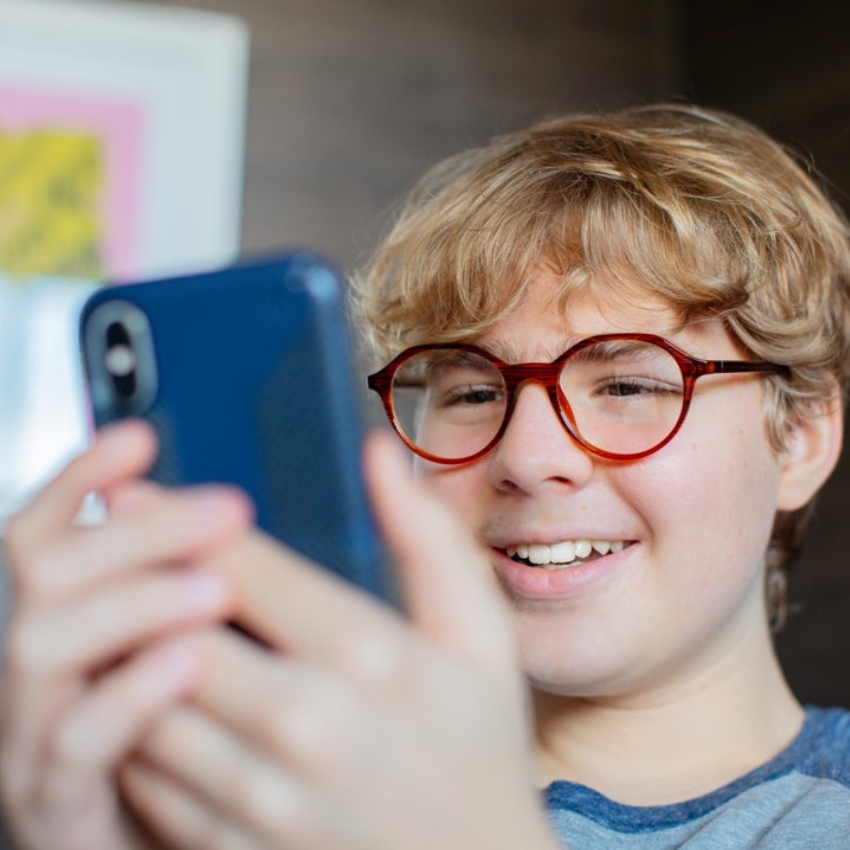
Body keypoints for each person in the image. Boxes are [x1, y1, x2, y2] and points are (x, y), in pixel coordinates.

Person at [2, 101, 850, 850]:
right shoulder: (244, 791)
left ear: (803, 438)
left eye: (628, 386)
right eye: (473, 392)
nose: (528, 458)